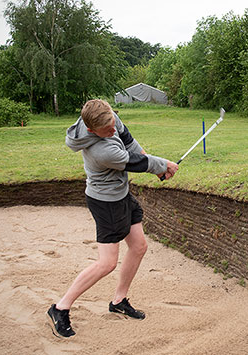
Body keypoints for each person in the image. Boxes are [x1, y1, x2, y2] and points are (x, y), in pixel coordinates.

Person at [47, 99, 178, 337]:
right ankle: (60, 308)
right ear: (91, 130)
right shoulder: (102, 152)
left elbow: (129, 141)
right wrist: (163, 165)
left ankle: (119, 301)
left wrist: (149, 159)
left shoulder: (106, 116)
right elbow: (133, 162)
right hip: (105, 202)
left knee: (138, 246)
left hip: (121, 194)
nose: (112, 130)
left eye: (112, 124)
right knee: (107, 263)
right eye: (107, 131)